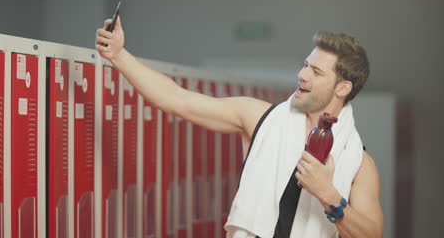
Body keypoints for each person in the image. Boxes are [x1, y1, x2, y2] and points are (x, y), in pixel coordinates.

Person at [96, 17, 383, 238]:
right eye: (305, 65)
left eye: (316, 71)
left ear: (342, 87)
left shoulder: (360, 164)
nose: (302, 75)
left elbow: (372, 235)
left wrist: (328, 195)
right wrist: (119, 56)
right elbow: (176, 99)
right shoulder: (260, 118)